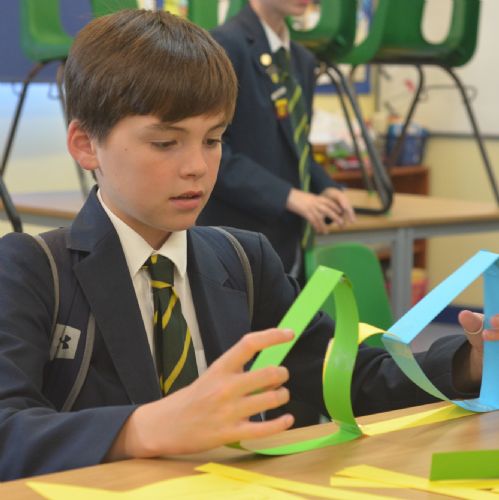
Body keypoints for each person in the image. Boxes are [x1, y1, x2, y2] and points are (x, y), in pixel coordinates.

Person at [0, 8, 494, 482]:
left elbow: (349, 377)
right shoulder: (31, 269)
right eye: (165, 143)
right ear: (86, 144)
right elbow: (9, 429)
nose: (197, 166)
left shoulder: (244, 261)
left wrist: (471, 360)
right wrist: (142, 428)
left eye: (213, 140)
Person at [197, 0, 355, 281]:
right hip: (235, 242)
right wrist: (287, 196)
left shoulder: (301, 60)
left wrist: (325, 185)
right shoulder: (223, 47)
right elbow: (208, 151)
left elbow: (298, 145)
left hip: (288, 241)